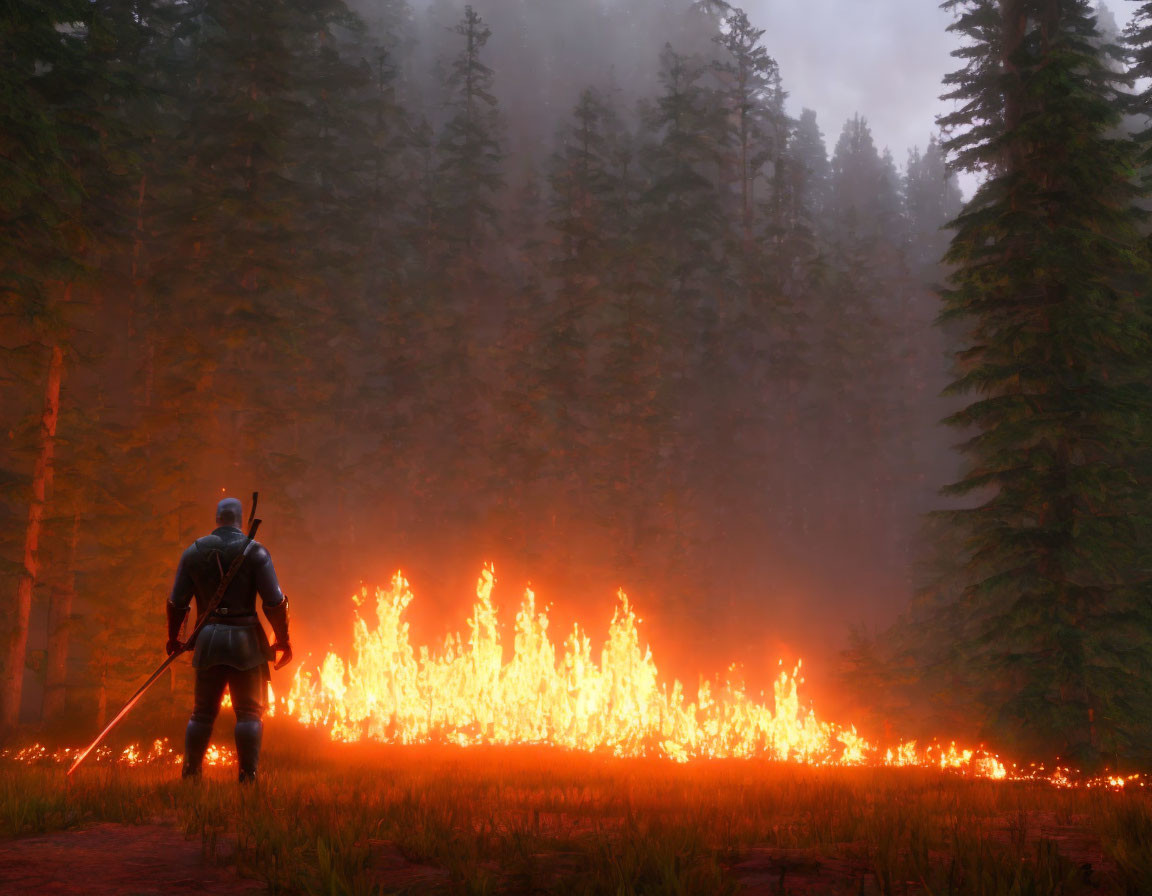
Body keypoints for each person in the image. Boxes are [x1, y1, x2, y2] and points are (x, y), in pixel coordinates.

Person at [165, 497, 292, 782]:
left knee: (201, 714)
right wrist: (283, 639)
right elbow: (275, 602)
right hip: (246, 642)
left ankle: (191, 774)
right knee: (248, 713)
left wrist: (174, 638)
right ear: (240, 519)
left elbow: (177, 603)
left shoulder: (193, 553)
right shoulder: (255, 552)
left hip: (208, 639)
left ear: (217, 518)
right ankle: (248, 777)